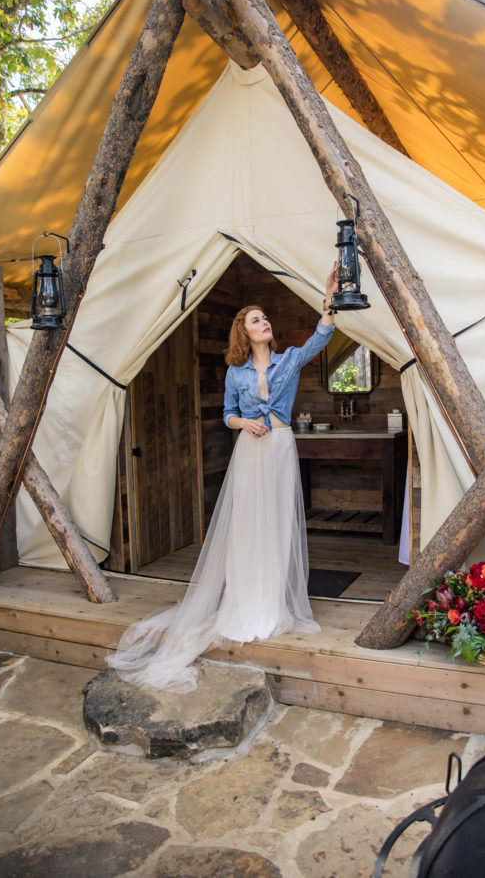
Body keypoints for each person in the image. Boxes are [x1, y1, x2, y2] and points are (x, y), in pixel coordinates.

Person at [106, 265, 338, 692]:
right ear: (244, 333)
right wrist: (243, 425)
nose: (264, 322)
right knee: (248, 527)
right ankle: (244, 604)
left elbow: (321, 337)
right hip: (250, 452)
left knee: (277, 525)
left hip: (282, 449)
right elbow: (227, 413)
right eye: (255, 319)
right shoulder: (237, 373)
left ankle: (272, 607)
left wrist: (328, 299)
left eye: (266, 317)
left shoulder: (290, 360)